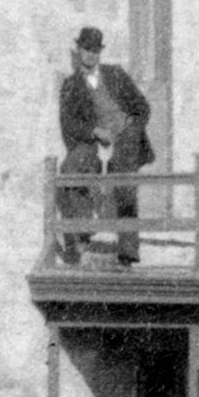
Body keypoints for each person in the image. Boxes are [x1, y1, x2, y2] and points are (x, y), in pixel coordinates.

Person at [57, 26, 153, 264]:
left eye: (95, 50)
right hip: (93, 141)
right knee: (71, 168)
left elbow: (142, 107)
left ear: (100, 53)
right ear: (78, 51)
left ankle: (128, 250)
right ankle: (81, 237)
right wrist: (93, 132)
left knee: (124, 179)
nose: (90, 55)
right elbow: (68, 124)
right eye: (86, 49)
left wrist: (131, 127)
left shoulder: (116, 75)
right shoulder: (70, 85)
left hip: (125, 137)